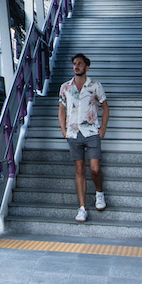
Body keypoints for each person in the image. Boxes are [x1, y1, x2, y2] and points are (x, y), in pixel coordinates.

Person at [57, 53, 108, 223]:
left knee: (94, 168)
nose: (76, 66)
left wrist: (103, 128)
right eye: (74, 64)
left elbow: (105, 106)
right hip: (73, 133)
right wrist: (63, 130)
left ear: (87, 67)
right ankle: (82, 208)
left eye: (79, 64)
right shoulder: (65, 87)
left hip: (91, 132)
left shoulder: (95, 86)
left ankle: (99, 193)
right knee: (79, 170)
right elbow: (62, 109)